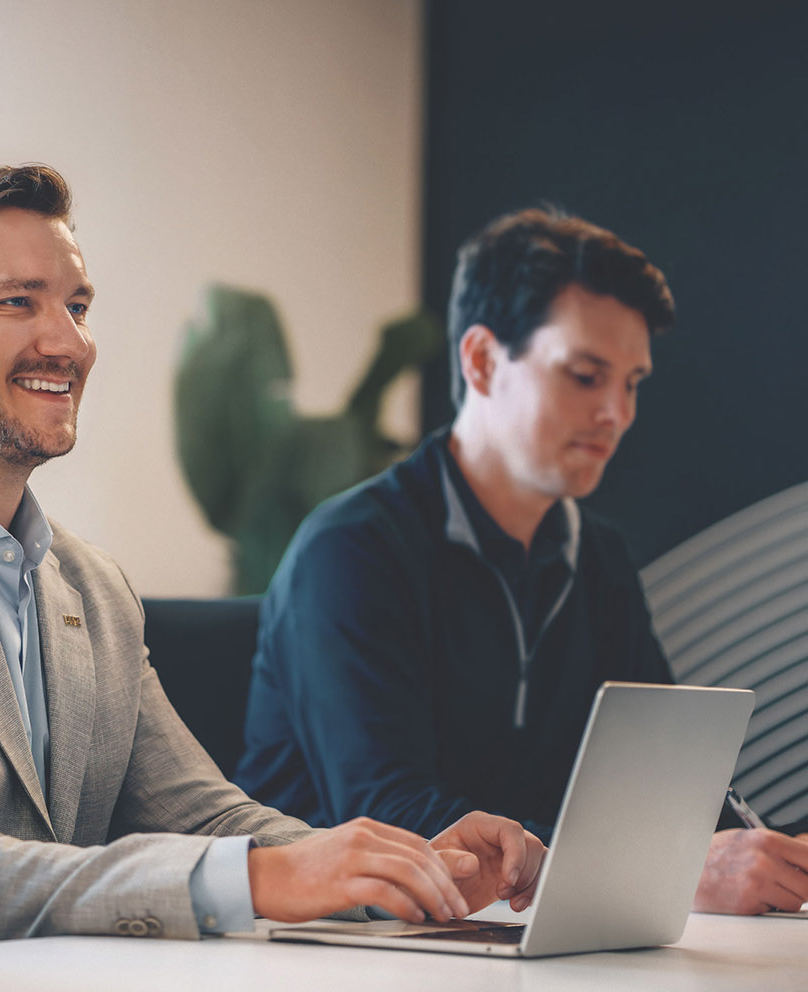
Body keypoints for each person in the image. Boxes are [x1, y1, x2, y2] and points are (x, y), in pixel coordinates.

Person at [0, 164, 545, 955]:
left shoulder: (91, 586)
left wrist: (408, 869)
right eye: (17, 302)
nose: (68, 342)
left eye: (76, 305)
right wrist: (263, 879)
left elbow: (202, 819)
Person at [234, 207, 808, 916]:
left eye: (631, 382)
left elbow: (667, 784)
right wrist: (671, 864)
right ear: (481, 360)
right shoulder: (349, 551)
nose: (617, 413)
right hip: (346, 949)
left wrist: (749, 853)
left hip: (517, 939)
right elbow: (395, 818)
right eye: (586, 375)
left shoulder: (599, 556)